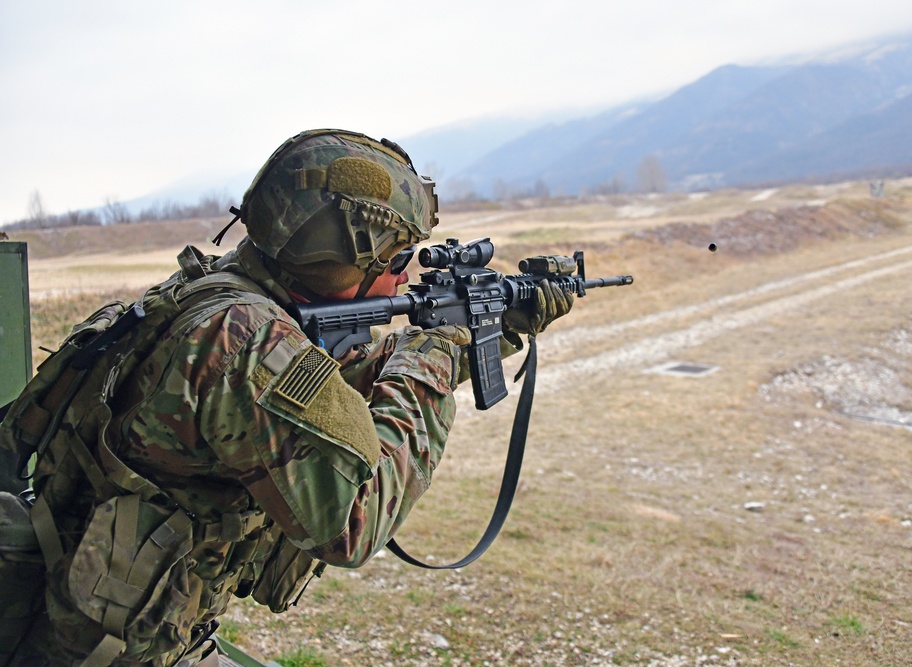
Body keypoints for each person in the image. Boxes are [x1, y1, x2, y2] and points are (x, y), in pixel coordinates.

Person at [0, 129, 572, 666]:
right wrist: (435, 355)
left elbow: (321, 401)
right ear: (332, 256)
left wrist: (481, 338)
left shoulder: (220, 297)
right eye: (396, 259)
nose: (403, 279)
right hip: (103, 651)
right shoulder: (244, 339)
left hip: (84, 612)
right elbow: (352, 519)